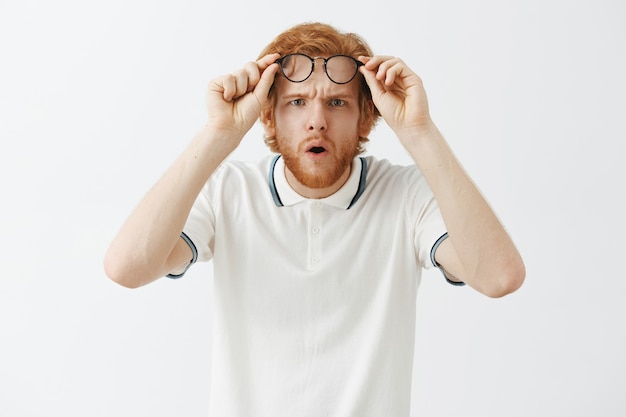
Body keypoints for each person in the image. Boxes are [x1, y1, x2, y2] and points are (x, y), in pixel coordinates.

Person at [104, 21, 525, 417]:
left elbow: (499, 277)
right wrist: (219, 134)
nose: (316, 120)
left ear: (366, 117)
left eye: (337, 102)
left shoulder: (406, 195)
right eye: (297, 102)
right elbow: (126, 267)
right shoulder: (227, 191)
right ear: (268, 115)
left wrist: (418, 129)